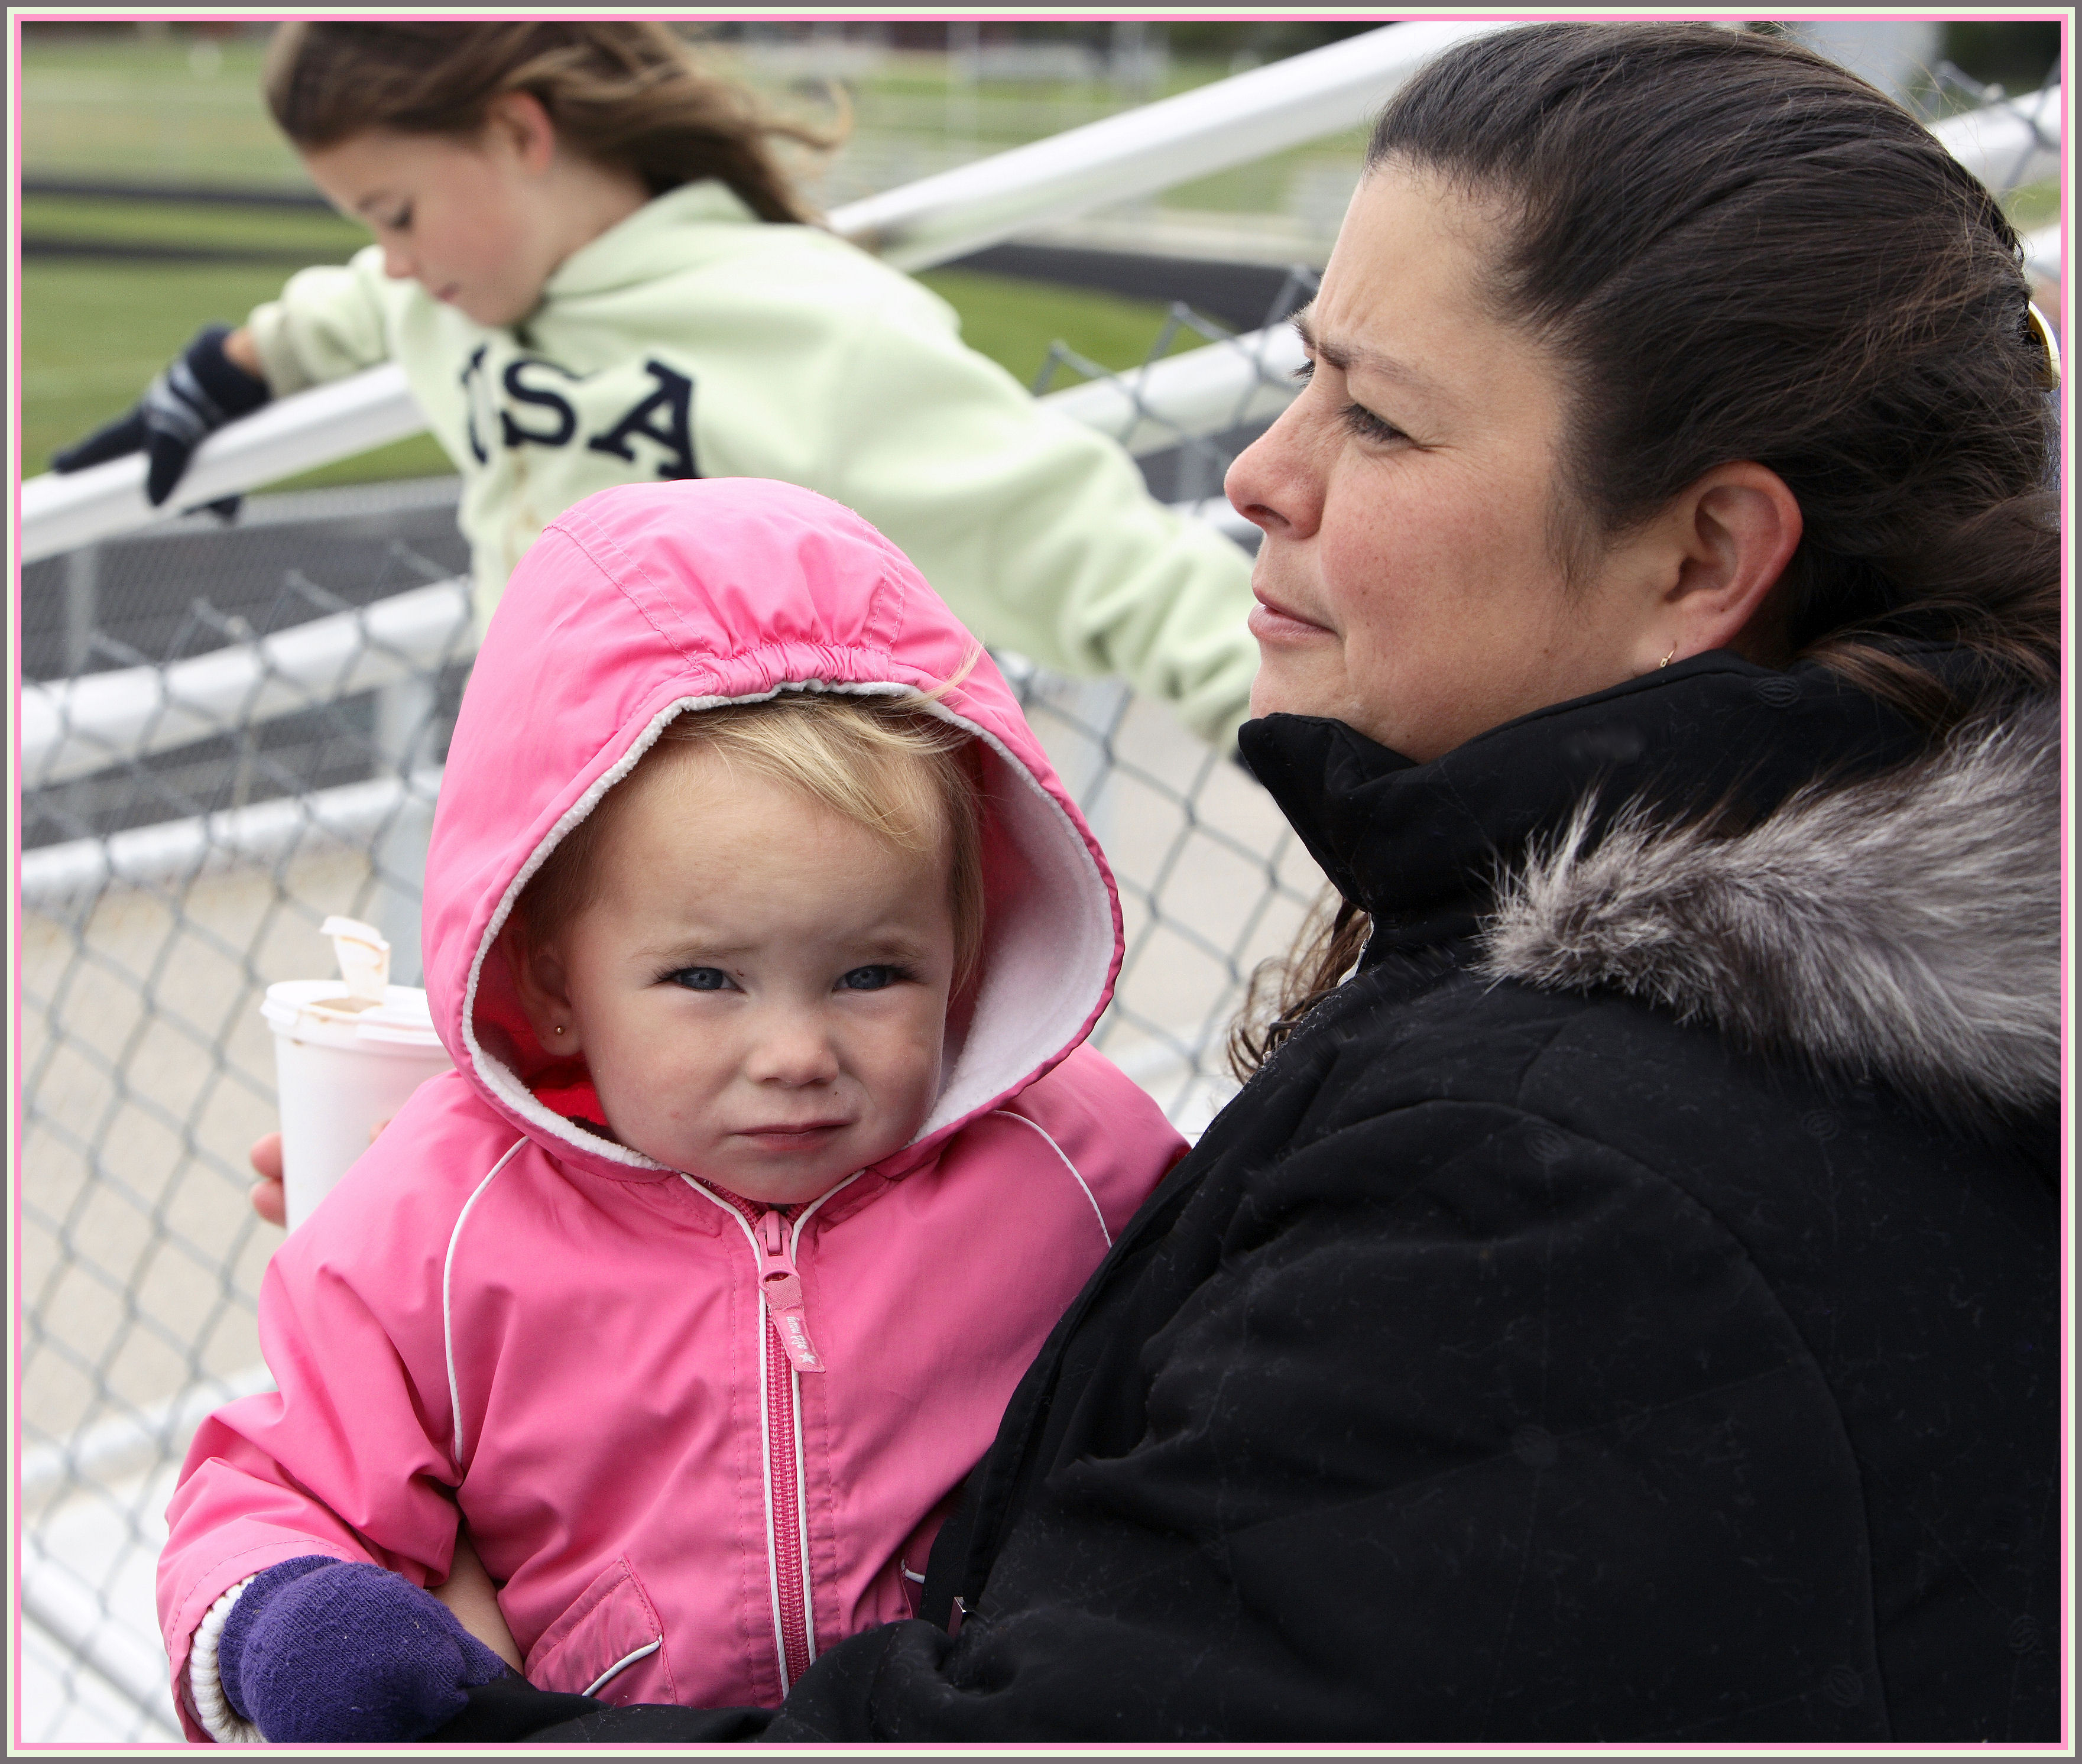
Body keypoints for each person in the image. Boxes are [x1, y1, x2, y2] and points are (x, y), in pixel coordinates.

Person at [463, 22, 2050, 1743]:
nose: (1259, 471)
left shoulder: (1549, 1205)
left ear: (1703, 556)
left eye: (1373, 417)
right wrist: (605, 1219)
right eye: (1306, 373)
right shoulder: (1755, 1062)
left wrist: (422, 1705)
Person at [155, 478, 1186, 1743]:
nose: (797, 1052)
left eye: (874, 973)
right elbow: (281, 1479)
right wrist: (291, 1620)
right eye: (706, 980)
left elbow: (1225, 1393)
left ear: (964, 947)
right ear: (553, 977)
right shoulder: (440, 1213)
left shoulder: (1081, 1163)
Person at [51, 21, 1258, 747]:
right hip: (526, 846)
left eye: (399, 213)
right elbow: (349, 306)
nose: (397, 260)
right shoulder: (449, 295)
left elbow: (1102, 558)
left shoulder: (814, 326)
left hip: (759, 917)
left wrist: (1329, 753)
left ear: (522, 133)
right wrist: (221, 379)